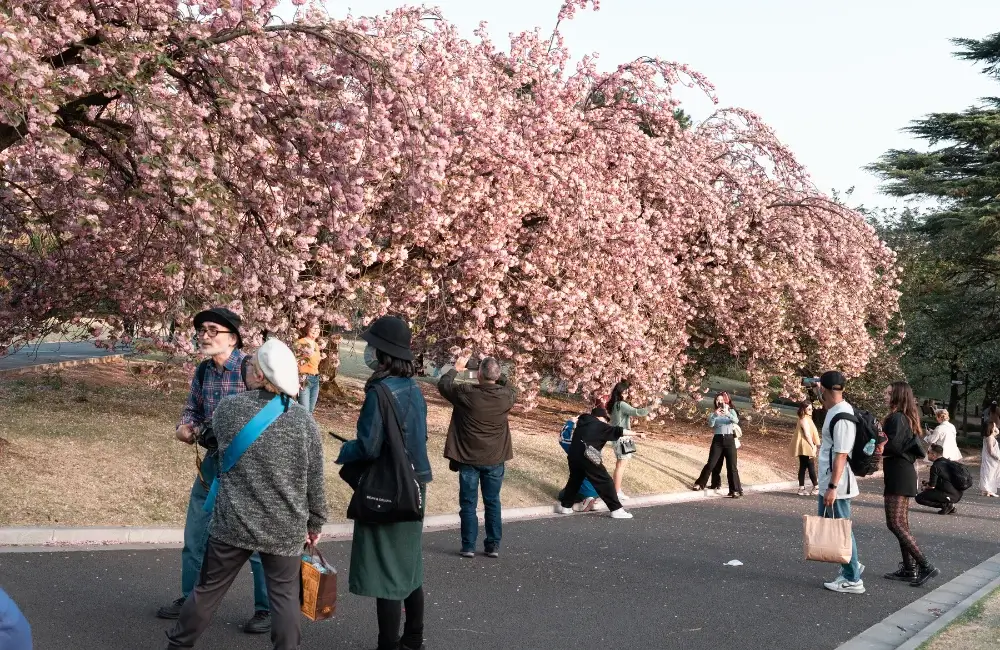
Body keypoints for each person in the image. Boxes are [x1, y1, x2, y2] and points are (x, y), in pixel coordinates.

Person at [165, 339, 328, 650]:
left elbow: (209, 435)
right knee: (284, 599)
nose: (246, 369)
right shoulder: (305, 422)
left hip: (232, 522)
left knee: (208, 590)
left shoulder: (230, 409)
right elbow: (314, 481)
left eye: (252, 366)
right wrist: (315, 524)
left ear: (262, 375)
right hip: (285, 527)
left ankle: (179, 644)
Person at [159, 307, 271, 634]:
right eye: (201, 330)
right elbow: (192, 408)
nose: (203, 336)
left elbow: (274, 413)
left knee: (251, 541)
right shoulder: (204, 371)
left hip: (249, 466)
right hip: (212, 464)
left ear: (233, 338)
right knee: (196, 534)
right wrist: (185, 426)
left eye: (212, 330)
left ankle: (265, 609)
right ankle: (188, 599)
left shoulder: (253, 369)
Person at [336, 316, 431, 650]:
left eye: (372, 346)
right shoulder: (414, 390)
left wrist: (344, 449)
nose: (368, 351)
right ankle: (414, 637)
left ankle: (387, 644)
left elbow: (368, 446)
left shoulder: (380, 391)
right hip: (417, 483)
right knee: (408, 565)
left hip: (388, 487)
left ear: (383, 352)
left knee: (386, 572)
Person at [439, 353, 516, 559]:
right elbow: (512, 388)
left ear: (478, 374)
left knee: (468, 503)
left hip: (469, 458)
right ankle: (492, 545)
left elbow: (444, 385)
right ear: (497, 375)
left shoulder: (466, 393)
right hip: (495, 458)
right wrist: (498, 376)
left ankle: (468, 545)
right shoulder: (506, 396)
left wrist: (457, 368)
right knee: (492, 502)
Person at [881, 381, 939, 586]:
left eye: (889, 393)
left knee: (895, 523)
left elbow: (893, 446)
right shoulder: (906, 417)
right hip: (902, 472)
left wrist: (878, 442)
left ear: (898, 395)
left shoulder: (897, 418)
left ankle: (925, 565)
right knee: (901, 523)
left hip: (899, 473)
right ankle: (909, 569)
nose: (885, 395)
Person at [816, 371, 865, 594]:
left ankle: (852, 578)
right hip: (831, 481)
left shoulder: (843, 416)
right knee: (839, 527)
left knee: (841, 530)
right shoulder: (834, 411)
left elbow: (842, 454)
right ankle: (851, 566)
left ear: (823, 388)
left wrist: (832, 487)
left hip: (838, 484)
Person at [555, 407, 645, 519]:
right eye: (605, 419)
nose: (606, 422)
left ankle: (566, 506)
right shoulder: (599, 425)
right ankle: (616, 509)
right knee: (605, 481)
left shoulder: (582, 422)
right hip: (588, 456)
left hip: (573, 456)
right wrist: (637, 434)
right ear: (599, 417)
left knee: (574, 480)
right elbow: (619, 431)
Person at [691, 392, 743, 498]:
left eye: (721, 399)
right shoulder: (713, 413)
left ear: (725, 400)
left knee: (732, 466)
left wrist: (727, 413)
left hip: (729, 440)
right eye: (717, 400)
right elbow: (711, 424)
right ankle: (700, 484)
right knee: (711, 464)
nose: (719, 401)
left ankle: (735, 490)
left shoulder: (731, 411)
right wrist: (715, 414)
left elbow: (736, 420)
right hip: (718, 440)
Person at [607, 380, 651, 502]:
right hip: (623, 438)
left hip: (619, 437)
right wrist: (652, 407)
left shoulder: (614, 404)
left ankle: (617, 489)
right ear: (620, 392)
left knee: (620, 465)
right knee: (621, 465)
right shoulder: (621, 404)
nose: (627, 394)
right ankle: (616, 492)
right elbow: (636, 412)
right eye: (625, 392)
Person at [557, 416, 601, 511]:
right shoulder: (596, 445)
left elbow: (563, 438)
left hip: (582, 487)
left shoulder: (575, 448)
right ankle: (594, 499)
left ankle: (585, 499)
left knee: (562, 494)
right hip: (599, 487)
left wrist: (570, 422)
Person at [915, 444, 963, 515]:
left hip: (948, 494)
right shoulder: (948, 462)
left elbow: (932, 486)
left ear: (933, 454)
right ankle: (949, 506)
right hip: (958, 494)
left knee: (919, 498)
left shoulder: (935, 466)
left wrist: (925, 487)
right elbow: (944, 480)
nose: (927, 454)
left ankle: (945, 505)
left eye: (928, 452)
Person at [790, 401, 821, 496]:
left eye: (812, 409)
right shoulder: (804, 419)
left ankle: (802, 488)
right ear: (804, 409)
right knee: (810, 466)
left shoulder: (806, 418)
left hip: (805, 445)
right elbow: (807, 434)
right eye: (809, 409)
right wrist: (812, 445)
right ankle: (816, 487)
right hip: (806, 445)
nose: (811, 410)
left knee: (803, 466)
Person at [295, 321, 322, 413]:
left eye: (318, 328)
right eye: (313, 328)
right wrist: (298, 380)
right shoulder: (300, 342)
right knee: (304, 411)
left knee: (310, 411)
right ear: (307, 329)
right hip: (304, 379)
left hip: (315, 379)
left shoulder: (316, 345)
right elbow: (295, 362)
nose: (316, 331)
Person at [980, 405, 1000, 498]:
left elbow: (997, 433)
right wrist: (998, 457)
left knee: (990, 473)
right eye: (994, 427)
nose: (996, 428)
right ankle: (988, 489)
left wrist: (995, 429)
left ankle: (988, 490)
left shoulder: (989, 437)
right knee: (989, 473)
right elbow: (991, 451)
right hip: (991, 459)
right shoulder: (990, 438)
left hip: (990, 459)